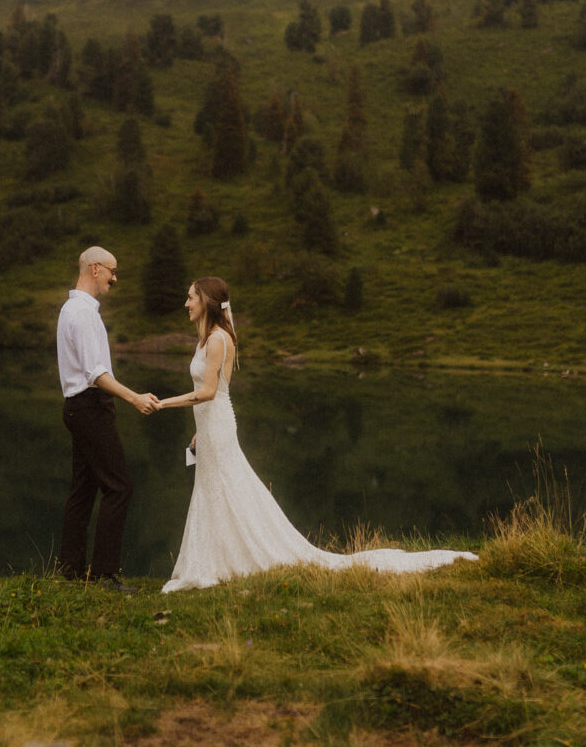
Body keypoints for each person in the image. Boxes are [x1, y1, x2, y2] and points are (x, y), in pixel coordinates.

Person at [153, 276, 477, 593]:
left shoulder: (219, 339)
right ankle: (216, 558)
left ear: (207, 301)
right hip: (211, 427)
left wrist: (163, 403)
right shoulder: (207, 339)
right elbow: (218, 389)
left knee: (227, 487)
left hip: (220, 426)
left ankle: (232, 557)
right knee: (213, 489)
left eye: (191, 297)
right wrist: (199, 429)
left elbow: (211, 392)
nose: (186, 303)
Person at [56, 246, 158, 594]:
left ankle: (70, 571)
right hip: (89, 406)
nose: (115, 278)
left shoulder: (75, 309)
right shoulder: (81, 314)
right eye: (112, 271)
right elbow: (96, 372)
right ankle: (103, 575)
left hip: (79, 407)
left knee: (83, 490)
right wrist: (134, 398)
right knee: (119, 487)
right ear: (95, 269)